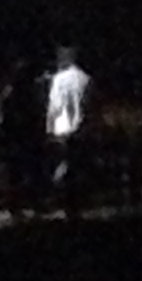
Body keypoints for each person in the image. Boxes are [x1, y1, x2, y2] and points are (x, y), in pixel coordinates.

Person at [43, 44, 92, 201]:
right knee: (78, 165)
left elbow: (54, 107)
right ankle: (78, 199)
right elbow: (90, 106)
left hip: (61, 129)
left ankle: (61, 196)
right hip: (81, 129)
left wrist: (49, 130)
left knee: (62, 162)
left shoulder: (58, 80)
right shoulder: (86, 79)